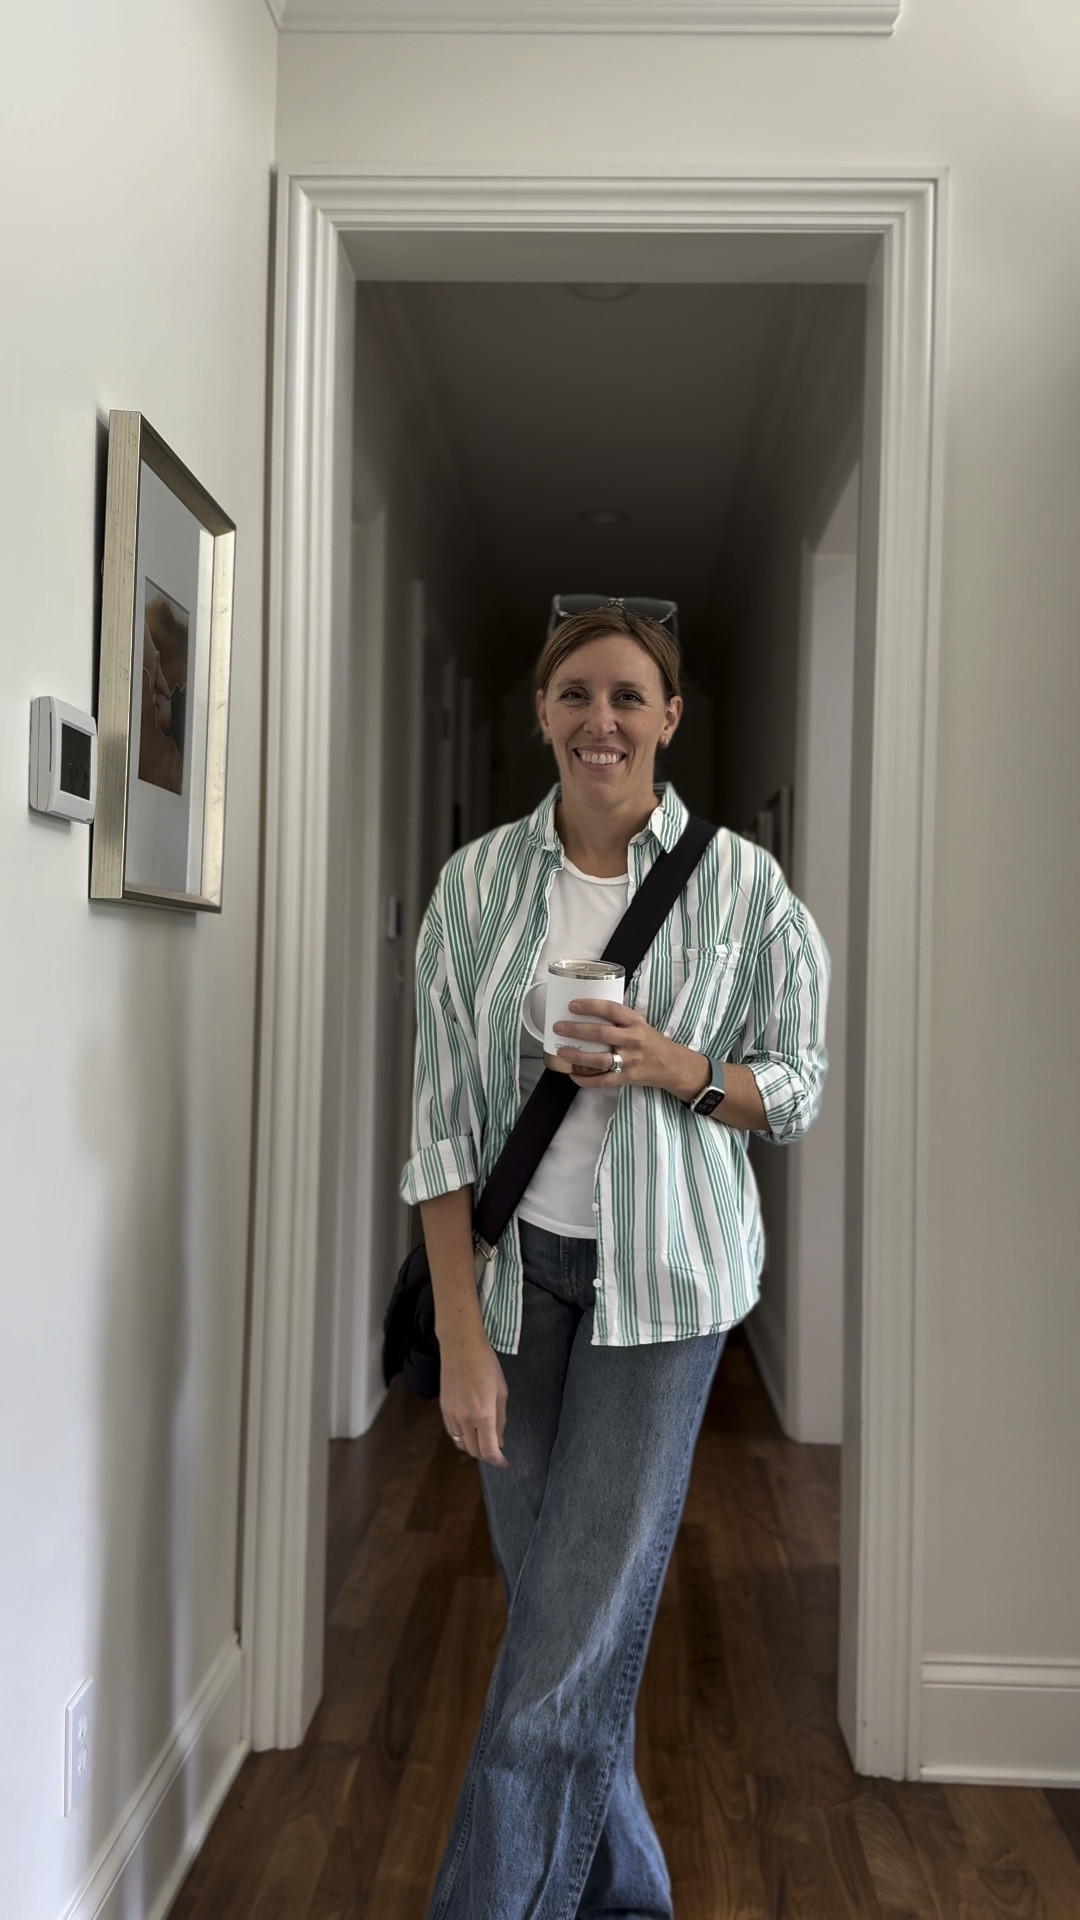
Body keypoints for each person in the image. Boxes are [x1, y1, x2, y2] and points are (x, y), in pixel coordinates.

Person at [399, 602, 829, 1920]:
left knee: (570, 1637)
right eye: (577, 694)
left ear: (670, 717)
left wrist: (680, 1069)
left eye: (629, 697)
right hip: (520, 1280)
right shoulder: (477, 884)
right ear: (541, 711)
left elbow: (799, 1088)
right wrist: (461, 1336)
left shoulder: (745, 884)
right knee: (566, 1632)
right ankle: (632, 1898)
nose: (603, 721)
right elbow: (438, 1123)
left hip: (672, 1290)